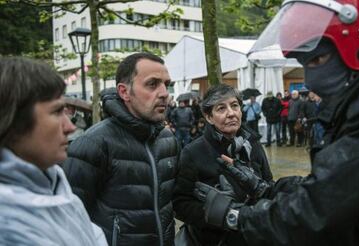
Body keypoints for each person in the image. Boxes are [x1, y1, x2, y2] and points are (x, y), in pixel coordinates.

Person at [193, 0, 359, 245]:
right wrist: (267, 189)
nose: (310, 78)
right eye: (304, 64)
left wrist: (236, 217)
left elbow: (319, 213)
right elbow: (338, 183)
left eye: (316, 61)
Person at [62, 53, 179, 246]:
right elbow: (69, 221)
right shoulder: (92, 144)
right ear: (124, 92)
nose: (164, 92)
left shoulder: (168, 140)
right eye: (152, 84)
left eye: (166, 84)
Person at [0, 57, 107, 246]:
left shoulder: (55, 181)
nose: (70, 127)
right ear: (13, 121)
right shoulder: (7, 227)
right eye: (57, 112)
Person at [173, 84, 273, 246]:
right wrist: (218, 213)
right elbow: (180, 203)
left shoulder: (253, 143)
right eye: (221, 108)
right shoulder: (193, 152)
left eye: (234, 106)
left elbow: (268, 181)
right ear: (209, 117)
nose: (231, 113)